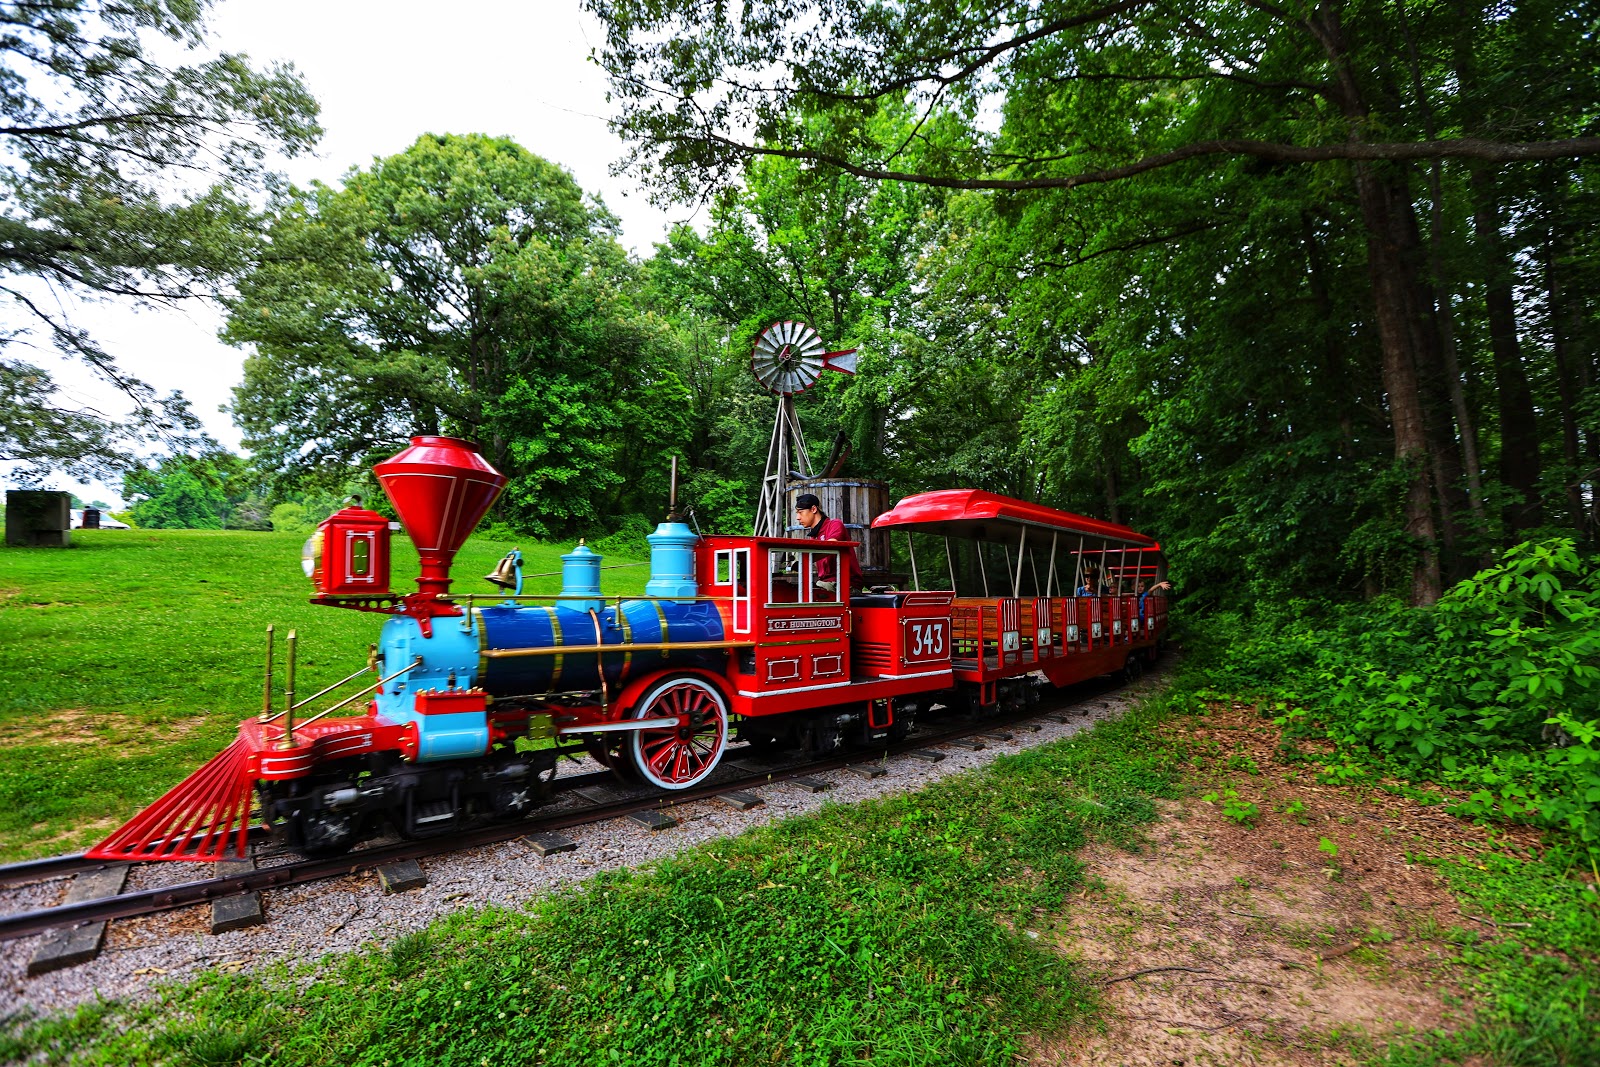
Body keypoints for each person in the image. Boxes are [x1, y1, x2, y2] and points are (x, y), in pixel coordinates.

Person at [794, 493, 864, 595]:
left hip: (847, 584)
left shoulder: (834, 524)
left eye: (800, 512)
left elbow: (831, 545)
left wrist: (806, 558)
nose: (797, 517)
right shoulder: (814, 536)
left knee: (807, 593)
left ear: (813, 509)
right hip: (828, 584)